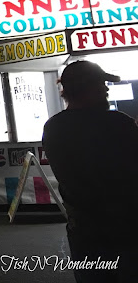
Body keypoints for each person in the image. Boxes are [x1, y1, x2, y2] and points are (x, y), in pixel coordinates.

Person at [43, 60, 138, 282]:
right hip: (126, 228)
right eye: (100, 84)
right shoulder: (117, 124)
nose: (106, 89)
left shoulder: (54, 127)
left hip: (83, 230)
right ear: (86, 88)